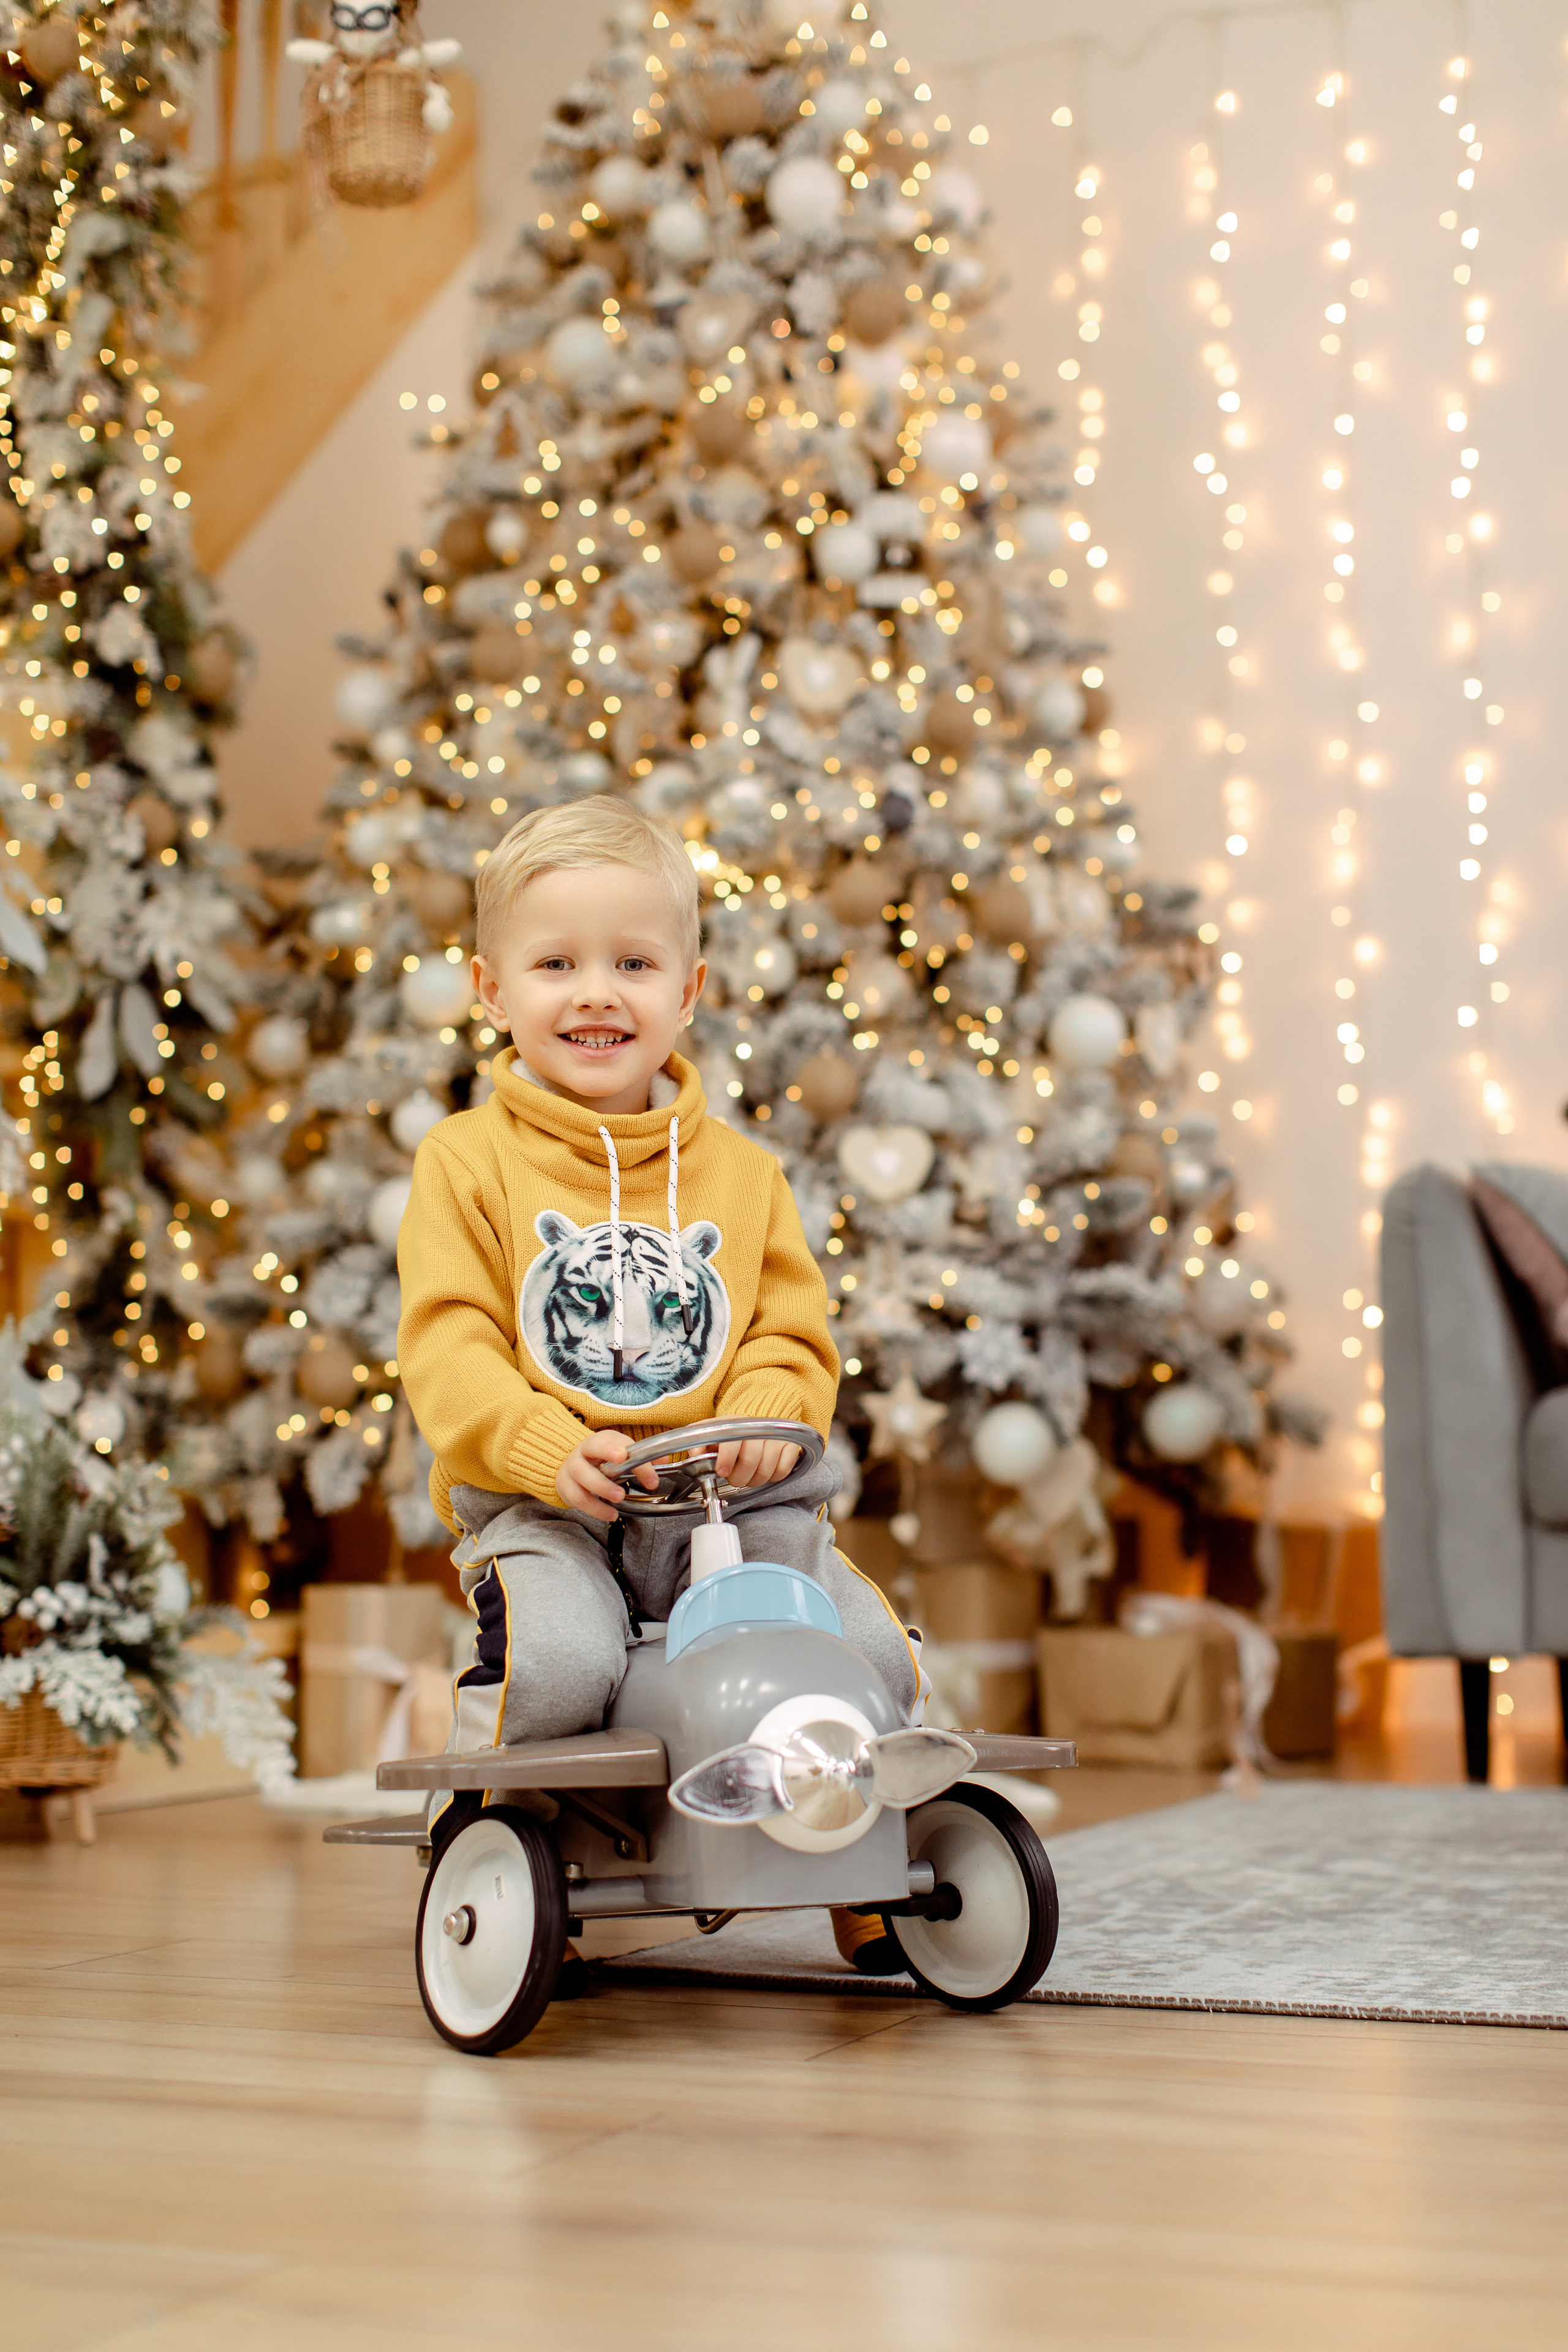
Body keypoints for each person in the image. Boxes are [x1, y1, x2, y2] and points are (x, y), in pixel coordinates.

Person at [397, 798, 922, 1833]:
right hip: (547, 1503)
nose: (597, 994)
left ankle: (853, 1841)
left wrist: (774, 1393)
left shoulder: (744, 1172)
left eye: (633, 965)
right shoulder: (464, 1162)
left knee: (861, 1645)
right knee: (563, 1659)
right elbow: (449, 1346)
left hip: (724, 1502)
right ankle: (499, 1832)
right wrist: (539, 1443)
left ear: (688, 993)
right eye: (557, 966)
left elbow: (787, 1321)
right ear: (492, 991)